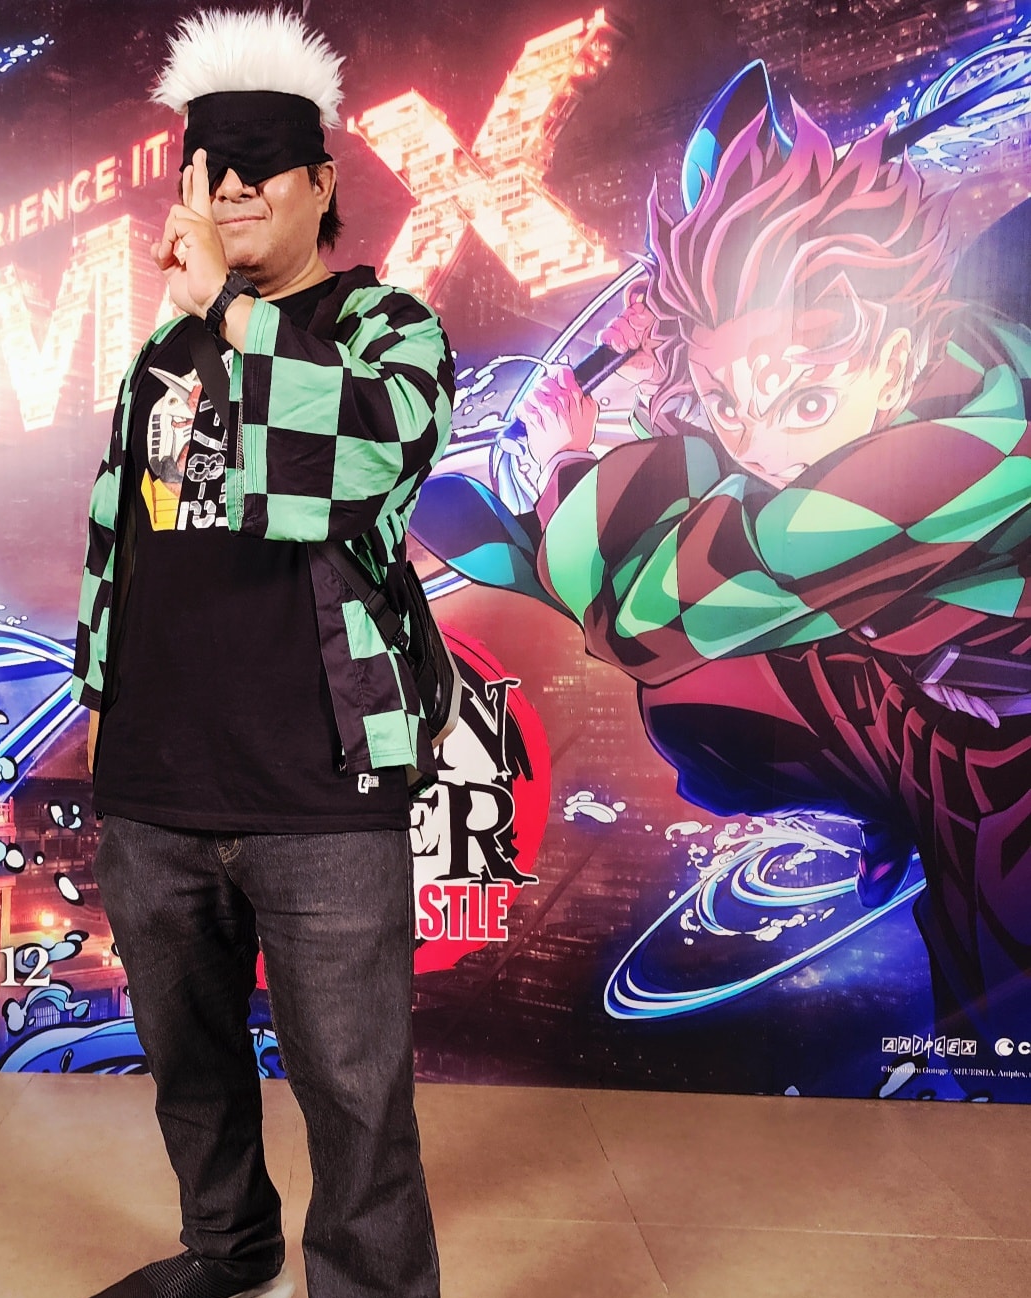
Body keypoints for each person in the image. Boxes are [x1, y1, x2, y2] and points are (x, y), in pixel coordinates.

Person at [71, 8, 473, 1298]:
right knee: (186, 1059)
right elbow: (128, 531)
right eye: (209, 163)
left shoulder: (385, 329)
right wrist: (103, 700)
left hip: (318, 783)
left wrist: (234, 322)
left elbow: (359, 468)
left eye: (262, 164)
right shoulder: (163, 349)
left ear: (320, 185)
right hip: (155, 780)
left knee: (355, 1091)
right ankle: (230, 1250)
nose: (231, 187)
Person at [415, 93, 1031, 1053]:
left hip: (1006, 761)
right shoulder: (917, 361)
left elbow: (655, 616)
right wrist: (673, 361)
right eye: (728, 400)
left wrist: (567, 466)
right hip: (907, 686)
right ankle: (886, 804)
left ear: (897, 356)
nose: (766, 447)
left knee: (993, 999)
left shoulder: (946, 457)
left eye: (808, 402)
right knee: (699, 699)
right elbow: (739, 461)